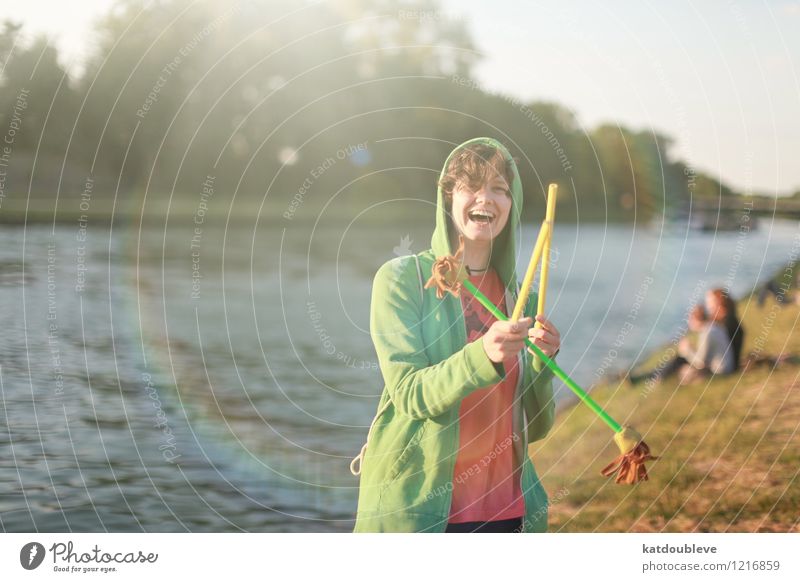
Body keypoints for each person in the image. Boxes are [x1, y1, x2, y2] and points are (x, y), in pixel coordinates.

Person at [351, 137, 561, 533]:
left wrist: (542, 366)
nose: (486, 198)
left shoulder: (524, 295)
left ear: (512, 204)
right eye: (472, 186)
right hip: (422, 513)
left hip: (510, 512)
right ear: (448, 198)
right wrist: (483, 353)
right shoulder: (403, 280)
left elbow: (536, 428)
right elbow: (410, 394)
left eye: (500, 189)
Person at [627, 305, 707, 386]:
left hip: (705, 368)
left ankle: (654, 378)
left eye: (690, 319)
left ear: (695, 319)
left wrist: (687, 350)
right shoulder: (703, 332)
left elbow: (701, 362)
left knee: (677, 360)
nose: (688, 322)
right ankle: (646, 377)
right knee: (675, 361)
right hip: (700, 365)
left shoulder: (705, 333)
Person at [705, 288, 744, 373]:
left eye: (709, 302)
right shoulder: (729, 319)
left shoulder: (728, 322)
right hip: (729, 365)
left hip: (726, 368)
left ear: (718, 301)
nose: (708, 306)